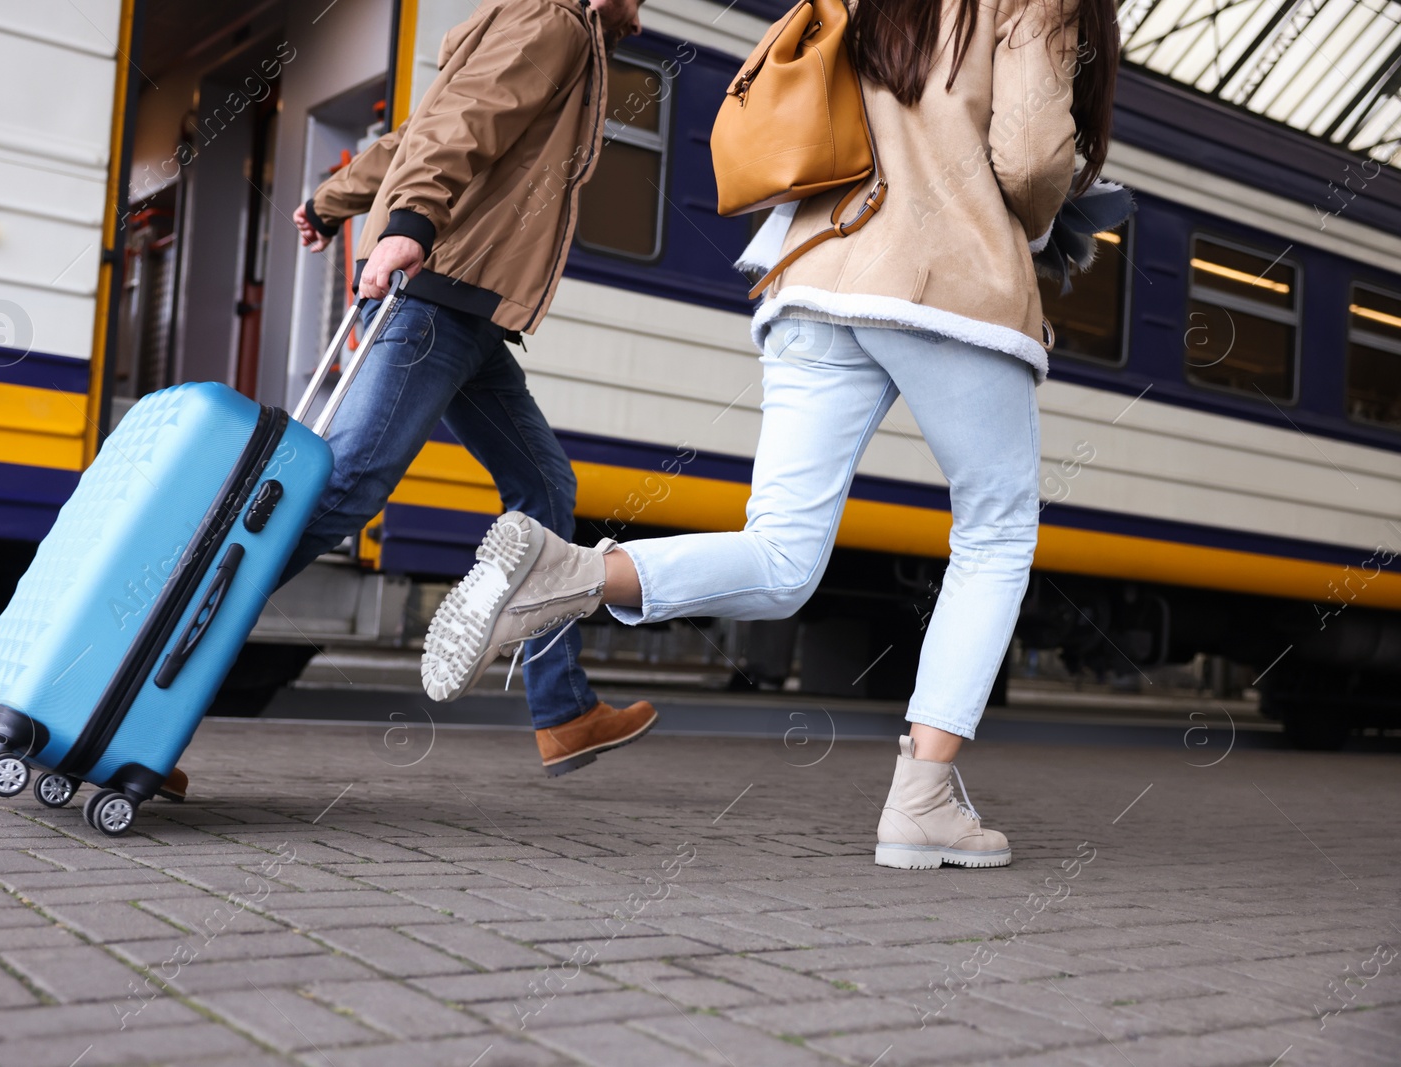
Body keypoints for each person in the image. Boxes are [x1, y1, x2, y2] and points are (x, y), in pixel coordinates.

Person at [421, 0, 1121, 867]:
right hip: (945, 283)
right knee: (996, 531)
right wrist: (1045, 227)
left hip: (813, 275)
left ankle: (571, 570)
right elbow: (1032, 157)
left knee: (783, 553)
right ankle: (923, 800)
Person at [286, 0, 656, 777]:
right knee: (346, 487)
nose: (642, 10)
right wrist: (410, 222)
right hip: (442, 298)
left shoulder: (565, 31)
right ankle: (160, 653)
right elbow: (459, 128)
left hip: (469, 311)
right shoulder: (553, 24)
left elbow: (419, 129)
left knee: (544, 486)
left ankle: (564, 712)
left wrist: (332, 201)